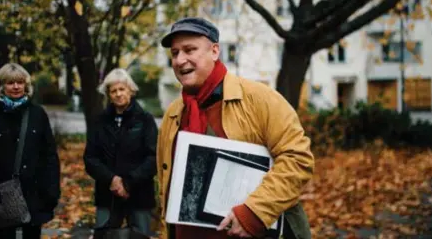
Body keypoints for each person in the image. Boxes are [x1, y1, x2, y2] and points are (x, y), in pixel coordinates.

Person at [156, 17, 315, 239]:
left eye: (189, 50)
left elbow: (298, 159)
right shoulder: (173, 114)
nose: (180, 60)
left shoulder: (260, 99)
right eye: (174, 53)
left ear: (214, 51)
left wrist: (254, 212)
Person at [0, 63, 61, 239]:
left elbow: (50, 156)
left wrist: (52, 192)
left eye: (20, 82)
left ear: (26, 85)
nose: (16, 87)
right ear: (0, 86)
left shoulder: (38, 114)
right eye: (10, 83)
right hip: (1, 197)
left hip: (35, 194)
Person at [84, 68, 158, 236]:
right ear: (108, 94)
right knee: (104, 235)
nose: (118, 94)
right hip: (107, 193)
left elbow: (153, 157)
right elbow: (90, 158)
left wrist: (127, 183)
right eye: (113, 91)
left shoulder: (145, 120)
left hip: (139, 194)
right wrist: (112, 180)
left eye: (122, 89)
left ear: (130, 90)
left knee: (141, 236)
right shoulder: (99, 121)